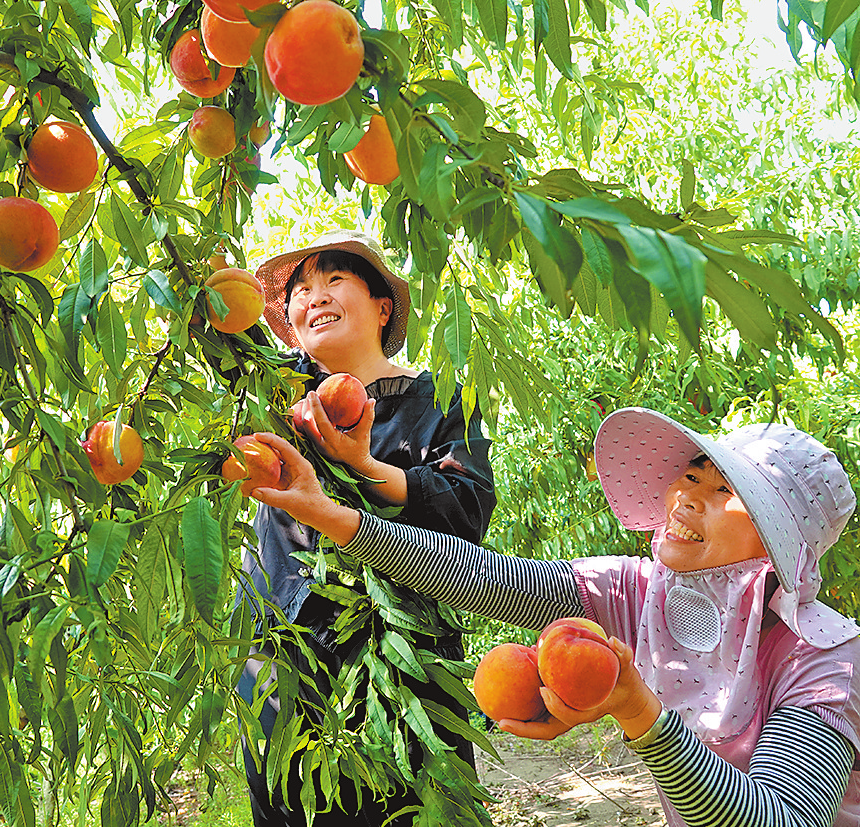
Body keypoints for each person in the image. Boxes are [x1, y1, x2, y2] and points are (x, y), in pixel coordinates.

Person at [250, 407, 860, 826]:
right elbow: (487, 580)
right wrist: (331, 516)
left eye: (728, 492)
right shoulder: (639, 591)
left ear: (781, 539)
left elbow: (779, 815)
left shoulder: (826, 658)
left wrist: (638, 711)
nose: (687, 495)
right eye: (692, 473)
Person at [235, 229, 497, 826]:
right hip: (283, 651)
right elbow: (217, 320)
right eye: (300, 290)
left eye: (333, 280)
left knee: (407, 808)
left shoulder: (438, 398)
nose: (314, 297)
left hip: (403, 659)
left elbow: (466, 507)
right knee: (289, 807)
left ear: (383, 307)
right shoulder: (277, 392)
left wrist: (367, 467)